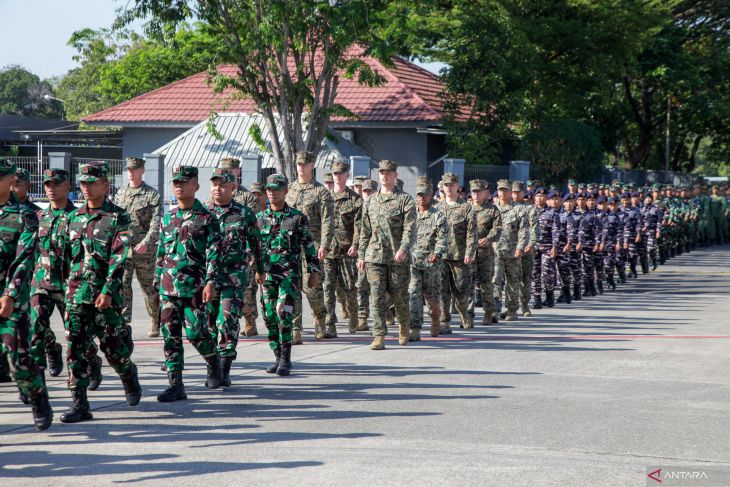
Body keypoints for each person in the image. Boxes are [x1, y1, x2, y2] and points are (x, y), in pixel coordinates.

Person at [61, 161, 141, 423]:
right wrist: (65, 290)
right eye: (83, 183)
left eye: (91, 182)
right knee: (75, 349)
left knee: (114, 349)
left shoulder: (118, 217)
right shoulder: (72, 218)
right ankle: (79, 404)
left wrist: (107, 291)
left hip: (104, 298)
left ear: (105, 185)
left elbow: (120, 257)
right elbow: (65, 258)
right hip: (75, 295)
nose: (86, 187)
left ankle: (128, 375)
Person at [155, 166, 223, 402]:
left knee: (196, 333)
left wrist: (211, 282)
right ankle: (176, 385)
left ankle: (213, 359)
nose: (179, 186)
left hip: (194, 286)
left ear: (195, 185)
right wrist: (157, 281)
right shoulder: (168, 217)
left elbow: (214, 253)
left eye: (184, 182)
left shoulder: (206, 218)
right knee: (170, 336)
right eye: (176, 182)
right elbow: (161, 252)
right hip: (168, 287)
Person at [0, 159, 53, 430]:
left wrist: (9, 295)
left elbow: (24, 259)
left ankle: (37, 397)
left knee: (16, 357)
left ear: (10, 181)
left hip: (11, 298)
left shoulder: (24, 216)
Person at [258, 174, 320, 375]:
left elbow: (309, 246)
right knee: (269, 316)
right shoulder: (260, 218)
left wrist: (313, 271)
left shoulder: (297, 217)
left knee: (283, 313)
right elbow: (253, 247)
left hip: (288, 276)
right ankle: (277, 356)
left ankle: (286, 359)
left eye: (276, 188)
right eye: (268, 188)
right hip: (267, 277)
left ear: (285, 191)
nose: (272, 192)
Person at [206, 168, 262, 387]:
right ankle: (212, 366)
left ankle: (224, 369)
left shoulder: (243, 213)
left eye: (222, 185)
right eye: (214, 185)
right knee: (209, 324)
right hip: (208, 277)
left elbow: (256, 243)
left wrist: (260, 268)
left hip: (234, 276)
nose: (217, 189)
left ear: (233, 187)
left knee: (227, 319)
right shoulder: (203, 212)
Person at [358, 160, 416, 349]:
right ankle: (379, 335)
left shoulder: (405, 200)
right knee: (376, 296)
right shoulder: (371, 201)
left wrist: (403, 248)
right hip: (374, 256)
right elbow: (364, 230)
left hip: (397, 257)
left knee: (399, 296)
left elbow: (410, 229)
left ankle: (404, 324)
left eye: (389, 173)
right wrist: (361, 255)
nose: (384, 176)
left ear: (395, 175)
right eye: (382, 172)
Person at [30, 169, 75, 380]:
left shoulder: (78, 218)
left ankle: (91, 361)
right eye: (48, 184)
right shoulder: (38, 218)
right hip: (42, 282)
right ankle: (37, 382)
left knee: (76, 336)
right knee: (35, 326)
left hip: (69, 286)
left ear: (67, 186)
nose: (51, 189)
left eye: (56, 184)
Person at [285, 151, 334, 343]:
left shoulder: (321, 192)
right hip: (291, 247)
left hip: (312, 247)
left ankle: (320, 319)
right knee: (293, 287)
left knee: (312, 288)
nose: (301, 167)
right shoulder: (289, 190)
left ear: (312, 165)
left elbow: (328, 221)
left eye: (305, 164)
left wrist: (325, 245)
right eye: (298, 163)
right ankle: (295, 328)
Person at [114, 157, 162, 337]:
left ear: (142, 170)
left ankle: (155, 320)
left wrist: (146, 242)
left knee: (149, 288)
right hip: (124, 250)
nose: (131, 172)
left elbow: (156, 224)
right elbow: (116, 220)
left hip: (145, 251)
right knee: (123, 285)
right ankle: (124, 322)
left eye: (134, 169)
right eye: (128, 169)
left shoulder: (152, 195)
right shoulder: (120, 194)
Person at [218, 158, 262, 338]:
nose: (227, 173)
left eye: (231, 170)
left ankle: (249, 319)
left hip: (243, 253)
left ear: (238, 172)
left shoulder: (248, 198)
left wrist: (252, 252)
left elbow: (254, 227)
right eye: (225, 170)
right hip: (221, 255)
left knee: (247, 290)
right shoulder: (217, 195)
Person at [323, 161, 362, 335]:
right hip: (329, 250)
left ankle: (353, 314)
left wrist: (355, 245)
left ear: (347, 175)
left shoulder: (355, 199)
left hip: (347, 251)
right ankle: (330, 323)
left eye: (341, 173)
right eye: (335, 174)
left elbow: (359, 226)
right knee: (328, 288)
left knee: (349, 287)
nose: (338, 176)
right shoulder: (325, 197)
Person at [409, 176, 449, 339]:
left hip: (431, 263)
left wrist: (438, 252)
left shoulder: (437, 216)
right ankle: (415, 327)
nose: (421, 197)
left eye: (424, 194)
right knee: (414, 293)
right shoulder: (410, 214)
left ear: (431, 195)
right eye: (418, 194)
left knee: (432, 297)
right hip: (413, 262)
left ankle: (435, 320)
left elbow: (443, 237)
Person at [436, 173, 476, 332]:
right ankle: (443, 320)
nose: (449, 188)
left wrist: (469, 252)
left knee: (461, 290)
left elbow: (472, 233)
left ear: (458, 187)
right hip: (441, 256)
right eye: (446, 185)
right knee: (442, 290)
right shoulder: (437, 208)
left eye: (452, 185)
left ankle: (464, 314)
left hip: (459, 256)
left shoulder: (466, 208)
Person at [493, 179, 527, 321]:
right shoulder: (492, 209)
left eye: (506, 190)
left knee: (513, 281)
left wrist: (520, 247)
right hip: (495, 252)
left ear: (510, 192)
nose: (502, 193)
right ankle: (494, 310)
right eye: (500, 190)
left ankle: (512, 310)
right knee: (495, 280)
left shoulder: (518, 209)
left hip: (513, 252)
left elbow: (523, 231)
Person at [468, 179, 501, 325]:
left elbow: (498, 229)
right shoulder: (466, 209)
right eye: (473, 192)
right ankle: (468, 313)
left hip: (485, 254)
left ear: (485, 193)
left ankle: (488, 312)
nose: (475, 195)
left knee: (486, 284)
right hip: (469, 253)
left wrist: (489, 238)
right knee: (468, 284)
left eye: (478, 192)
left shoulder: (492, 210)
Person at [240, 181, 267, 337]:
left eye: (259, 194)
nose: (256, 197)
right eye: (254, 194)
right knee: (249, 289)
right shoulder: (249, 214)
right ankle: (250, 320)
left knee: (268, 292)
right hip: (250, 256)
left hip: (265, 256)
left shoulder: (268, 214)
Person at [513, 181, 538, 316]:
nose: (516, 194)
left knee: (525, 278)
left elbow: (535, 229)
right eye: (514, 192)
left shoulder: (530, 209)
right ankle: (512, 306)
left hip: (526, 249)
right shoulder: (508, 207)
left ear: (523, 193)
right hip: (510, 248)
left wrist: (531, 244)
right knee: (511, 279)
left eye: (518, 192)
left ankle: (524, 304)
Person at [355, 179, 377, 332]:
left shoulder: (379, 207)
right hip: (363, 252)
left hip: (378, 254)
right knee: (361, 285)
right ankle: (362, 317)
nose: (367, 193)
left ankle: (388, 311)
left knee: (381, 287)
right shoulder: (359, 207)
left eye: (370, 191)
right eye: (365, 191)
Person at [532, 188, 559, 309]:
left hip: (547, 247)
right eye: (538, 196)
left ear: (546, 198)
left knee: (547, 272)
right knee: (534, 273)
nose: (540, 198)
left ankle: (549, 293)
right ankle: (537, 298)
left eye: (542, 196)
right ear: (534, 198)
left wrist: (555, 246)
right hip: (532, 247)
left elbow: (555, 231)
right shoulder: (529, 211)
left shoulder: (552, 213)